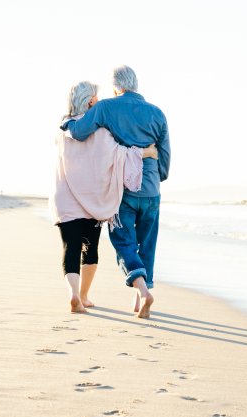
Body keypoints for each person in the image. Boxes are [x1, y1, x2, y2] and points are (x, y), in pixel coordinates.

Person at [61, 65, 171, 318]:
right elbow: (164, 152)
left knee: (124, 241)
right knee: (148, 242)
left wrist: (66, 121)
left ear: (115, 87)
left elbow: (78, 132)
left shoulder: (106, 107)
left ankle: (142, 292)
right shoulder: (157, 113)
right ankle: (138, 297)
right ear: (136, 84)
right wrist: (158, 175)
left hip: (124, 189)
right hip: (152, 188)